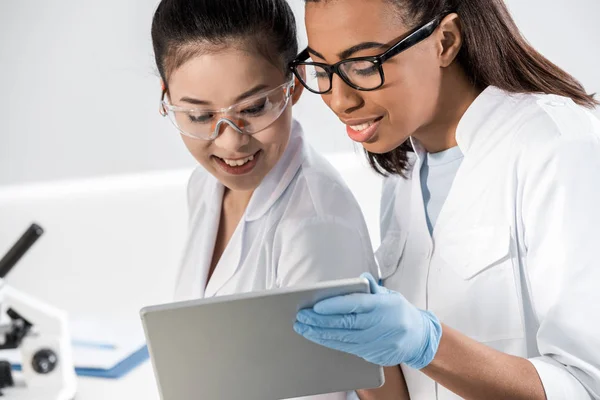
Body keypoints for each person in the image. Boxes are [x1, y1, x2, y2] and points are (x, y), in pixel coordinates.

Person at [290, 0, 600, 399]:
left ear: (445, 42)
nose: (339, 101)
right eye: (322, 69)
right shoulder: (402, 177)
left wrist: (428, 344)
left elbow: (586, 384)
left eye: (364, 65)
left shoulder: (556, 144)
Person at [151, 1, 378, 399]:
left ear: (295, 84)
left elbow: (317, 389)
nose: (231, 141)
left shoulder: (316, 224)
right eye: (199, 117)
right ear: (166, 97)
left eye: (255, 107)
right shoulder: (204, 186)